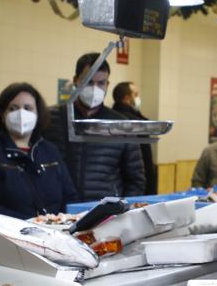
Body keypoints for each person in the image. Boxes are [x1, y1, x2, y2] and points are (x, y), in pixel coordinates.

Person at [43, 53, 146, 201]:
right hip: (58, 213)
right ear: (76, 81)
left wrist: (120, 210)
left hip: (104, 213)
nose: (95, 89)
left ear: (107, 85)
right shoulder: (50, 118)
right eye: (88, 82)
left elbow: (136, 179)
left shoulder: (122, 125)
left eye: (101, 83)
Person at [0, 82, 78, 219]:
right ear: (2, 114)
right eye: (13, 108)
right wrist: (28, 223)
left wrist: (62, 221)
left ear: (38, 113)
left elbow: (70, 197)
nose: (21, 114)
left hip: (54, 232)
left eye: (28, 108)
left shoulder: (50, 151)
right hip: (7, 235)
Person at [112, 81, 158, 195]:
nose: (138, 98)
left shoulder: (109, 119)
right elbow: (145, 161)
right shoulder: (136, 124)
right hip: (134, 187)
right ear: (127, 98)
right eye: (136, 95)